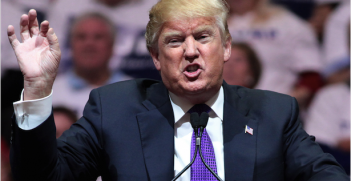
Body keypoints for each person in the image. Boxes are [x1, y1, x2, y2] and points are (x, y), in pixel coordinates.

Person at [7, 1, 348, 181]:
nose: (190, 51)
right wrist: (37, 91)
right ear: (155, 57)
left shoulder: (274, 113)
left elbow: (324, 174)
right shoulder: (115, 109)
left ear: (226, 47)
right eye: (174, 41)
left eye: (202, 37)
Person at [226, 0, 324, 109]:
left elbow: (311, 76)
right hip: (223, 108)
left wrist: (282, 107)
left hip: (277, 106)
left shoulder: (288, 23)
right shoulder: (211, 23)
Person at [52, 13, 131, 117]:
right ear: (71, 44)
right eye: (81, 37)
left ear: (112, 45)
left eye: (98, 37)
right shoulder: (50, 93)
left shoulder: (134, 94)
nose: (89, 44)